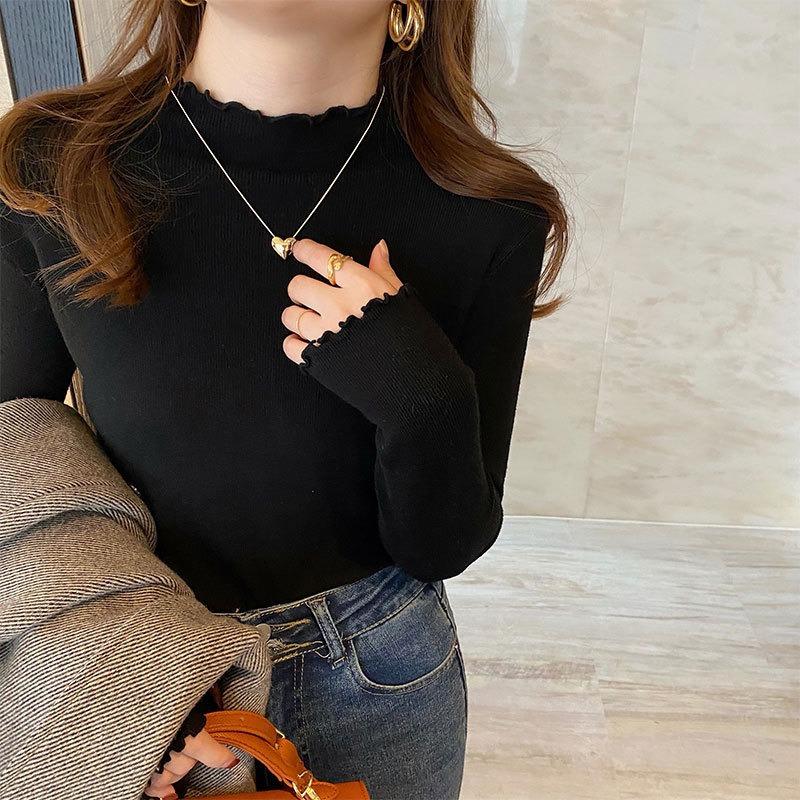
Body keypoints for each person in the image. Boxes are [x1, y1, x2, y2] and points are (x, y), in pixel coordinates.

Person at [0, 1, 567, 798]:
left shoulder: (489, 213)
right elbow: (12, 454)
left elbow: (441, 547)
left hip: (383, 675)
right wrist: (136, 680)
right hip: (136, 667)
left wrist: (422, 391)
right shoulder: (52, 161)